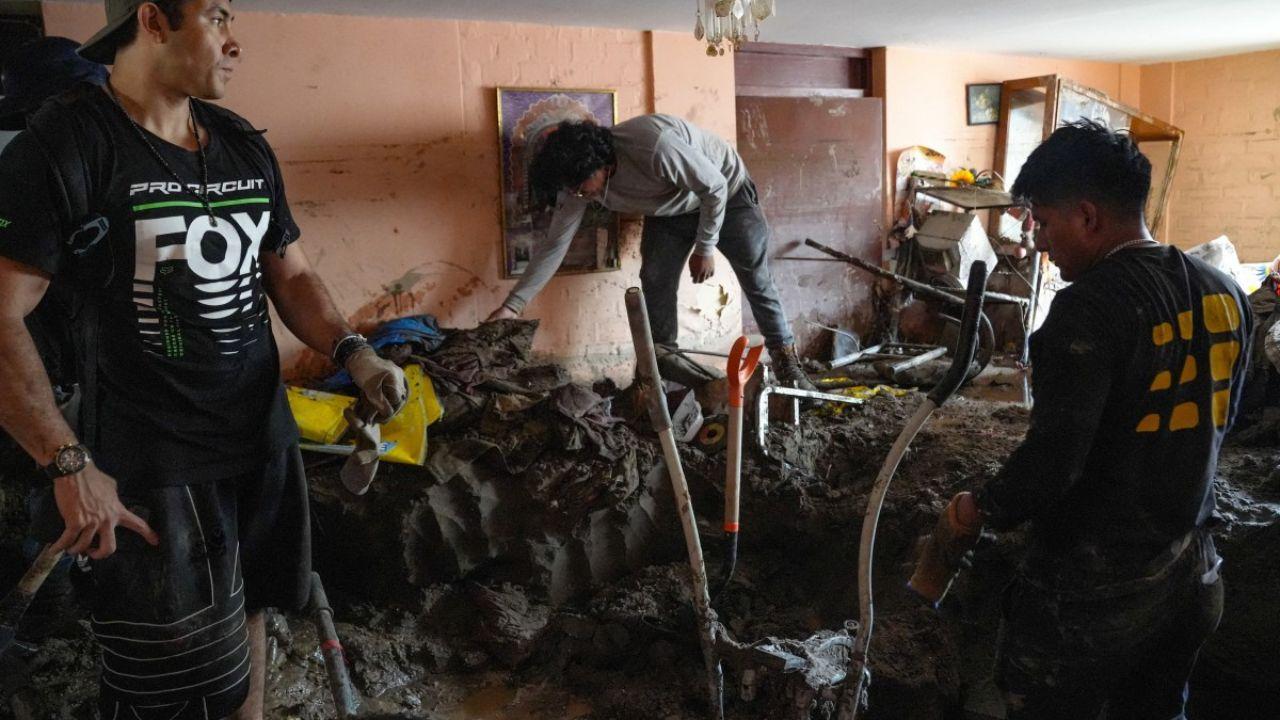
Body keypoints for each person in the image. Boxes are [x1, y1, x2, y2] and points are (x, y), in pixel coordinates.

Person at [0, 2, 406, 718]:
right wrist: (66, 463)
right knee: (173, 680)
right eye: (217, 16)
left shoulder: (239, 142)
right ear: (154, 19)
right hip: (151, 462)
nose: (236, 39)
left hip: (260, 438)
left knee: (252, 612)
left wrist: (355, 351)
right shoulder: (64, 145)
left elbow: (293, 274)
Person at [937, 121, 1252, 719]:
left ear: (1087, 216)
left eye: (1046, 224)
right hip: (1192, 574)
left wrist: (979, 509)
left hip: (1095, 594)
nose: (1042, 245)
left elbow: (1056, 461)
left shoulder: (1085, 312)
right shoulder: (1223, 291)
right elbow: (1227, 416)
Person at [485, 115, 816, 390]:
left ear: (598, 164)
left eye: (580, 187)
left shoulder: (653, 146)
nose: (578, 196)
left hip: (727, 197)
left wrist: (706, 247)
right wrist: (511, 307)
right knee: (654, 279)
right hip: (669, 213)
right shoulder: (578, 186)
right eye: (572, 190)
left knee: (756, 279)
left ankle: (788, 364)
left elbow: (712, 187)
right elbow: (555, 244)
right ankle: (663, 369)